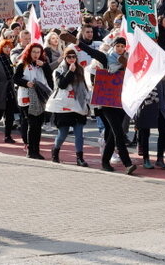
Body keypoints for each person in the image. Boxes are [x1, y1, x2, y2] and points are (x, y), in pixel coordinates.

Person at [49, 45, 106, 166]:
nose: (71, 59)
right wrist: (70, 71)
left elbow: (86, 88)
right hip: (63, 106)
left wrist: (89, 104)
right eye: (68, 57)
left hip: (78, 105)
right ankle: (55, 150)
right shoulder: (58, 71)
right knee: (63, 133)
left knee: (79, 133)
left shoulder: (81, 70)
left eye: (73, 56)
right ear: (64, 58)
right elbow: (62, 85)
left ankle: (80, 158)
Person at [98, 37, 137, 174]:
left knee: (113, 136)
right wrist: (78, 42)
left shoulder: (128, 60)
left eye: (122, 46)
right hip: (107, 103)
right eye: (118, 46)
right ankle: (128, 164)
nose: (120, 48)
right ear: (113, 46)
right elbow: (94, 54)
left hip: (121, 102)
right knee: (119, 134)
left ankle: (105, 162)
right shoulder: (106, 58)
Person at [13, 42, 53, 159]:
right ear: (29, 52)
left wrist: (44, 66)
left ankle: (37, 149)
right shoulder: (23, 64)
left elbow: (49, 80)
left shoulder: (42, 65)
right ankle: (30, 151)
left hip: (40, 97)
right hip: (27, 96)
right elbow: (15, 78)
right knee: (32, 123)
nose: (36, 54)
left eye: (38, 52)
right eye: (34, 52)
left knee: (38, 124)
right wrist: (26, 83)